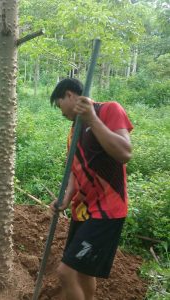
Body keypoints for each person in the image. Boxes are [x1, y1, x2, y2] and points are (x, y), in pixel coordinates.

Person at [49, 78, 133, 300]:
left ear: (69, 95)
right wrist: (66, 198)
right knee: (85, 272)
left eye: (59, 105)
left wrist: (92, 119)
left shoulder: (108, 110)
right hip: (83, 210)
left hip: (107, 211)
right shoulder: (73, 131)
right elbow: (75, 172)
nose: (61, 112)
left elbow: (125, 153)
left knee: (66, 272)